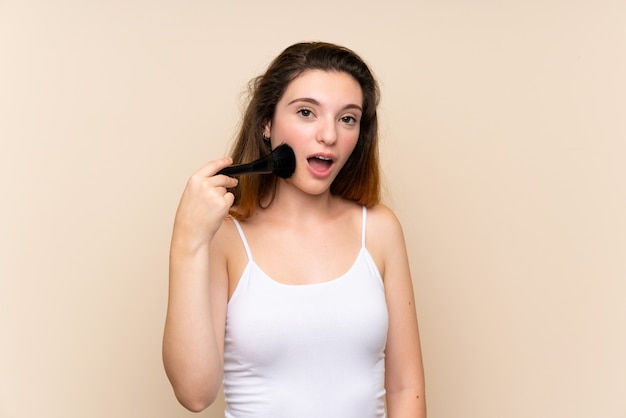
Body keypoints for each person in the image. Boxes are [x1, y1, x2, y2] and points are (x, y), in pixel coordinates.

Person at [162, 41, 426, 418]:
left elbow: (406, 388)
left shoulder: (381, 230)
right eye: (306, 112)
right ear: (266, 124)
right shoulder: (224, 238)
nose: (329, 135)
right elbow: (194, 393)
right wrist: (186, 241)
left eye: (347, 118)